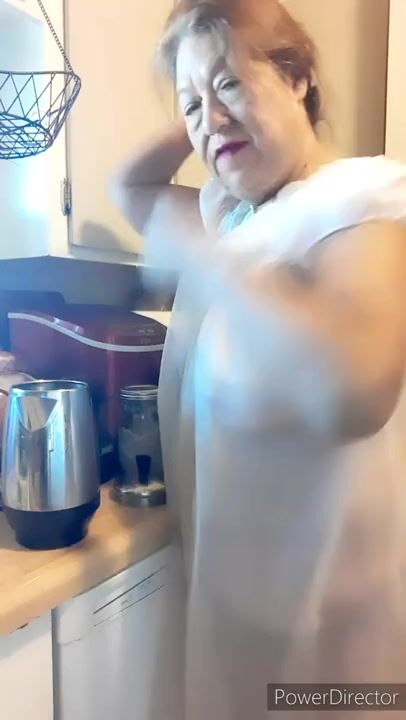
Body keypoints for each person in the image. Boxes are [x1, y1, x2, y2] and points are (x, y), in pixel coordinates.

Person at [112, 1, 406, 717]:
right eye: (190, 106)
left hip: (332, 643)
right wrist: (211, 98)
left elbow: (356, 391)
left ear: (298, 77)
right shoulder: (239, 215)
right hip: (242, 620)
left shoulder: (365, 196)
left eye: (232, 85)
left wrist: (211, 262)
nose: (207, 121)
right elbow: (131, 188)